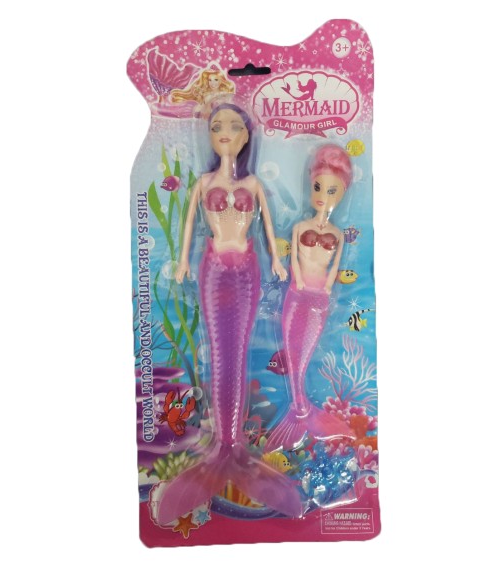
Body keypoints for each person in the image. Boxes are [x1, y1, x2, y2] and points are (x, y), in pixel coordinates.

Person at [157, 104, 302, 525]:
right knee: (220, 354)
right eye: (216, 126)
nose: (224, 132)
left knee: (236, 353)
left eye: (233, 126)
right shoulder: (203, 183)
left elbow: (269, 228)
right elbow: (188, 225)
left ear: (245, 137)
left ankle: (233, 449)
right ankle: (224, 447)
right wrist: (182, 264)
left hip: (246, 269)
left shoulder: (253, 184)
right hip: (214, 268)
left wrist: (278, 261)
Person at [265, 144, 356, 452]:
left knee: (305, 354)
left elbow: (336, 265)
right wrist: (299, 279)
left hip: (319, 298)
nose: (322, 196)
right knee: (292, 354)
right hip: (297, 293)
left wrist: (328, 286)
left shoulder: (338, 234)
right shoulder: (299, 226)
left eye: (332, 190)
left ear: (342, 194)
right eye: (318, 187)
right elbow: (293, 258)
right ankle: (299, 407)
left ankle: (301, 409)